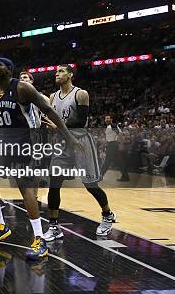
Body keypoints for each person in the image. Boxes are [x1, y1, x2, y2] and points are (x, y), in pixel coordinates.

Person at [0, 58, 77, 260]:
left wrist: (69, 137)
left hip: (23, 142)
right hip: (1, 142)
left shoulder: (22, 89)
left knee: (25, 187)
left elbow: (49, 111)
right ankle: (0, 225)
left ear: (9, 70)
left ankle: (40, 240)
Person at [42, 65, 117, 241]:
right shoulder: (52, 97)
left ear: (70, 75)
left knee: (90, 185)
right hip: (61, 143)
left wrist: (57, 126)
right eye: (56, 72)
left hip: (80, 141)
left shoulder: (80, 94)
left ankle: (107, 215)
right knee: (54, 183)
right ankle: (53, 226)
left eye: (61, 71)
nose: (57, 74)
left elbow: (80, 121)